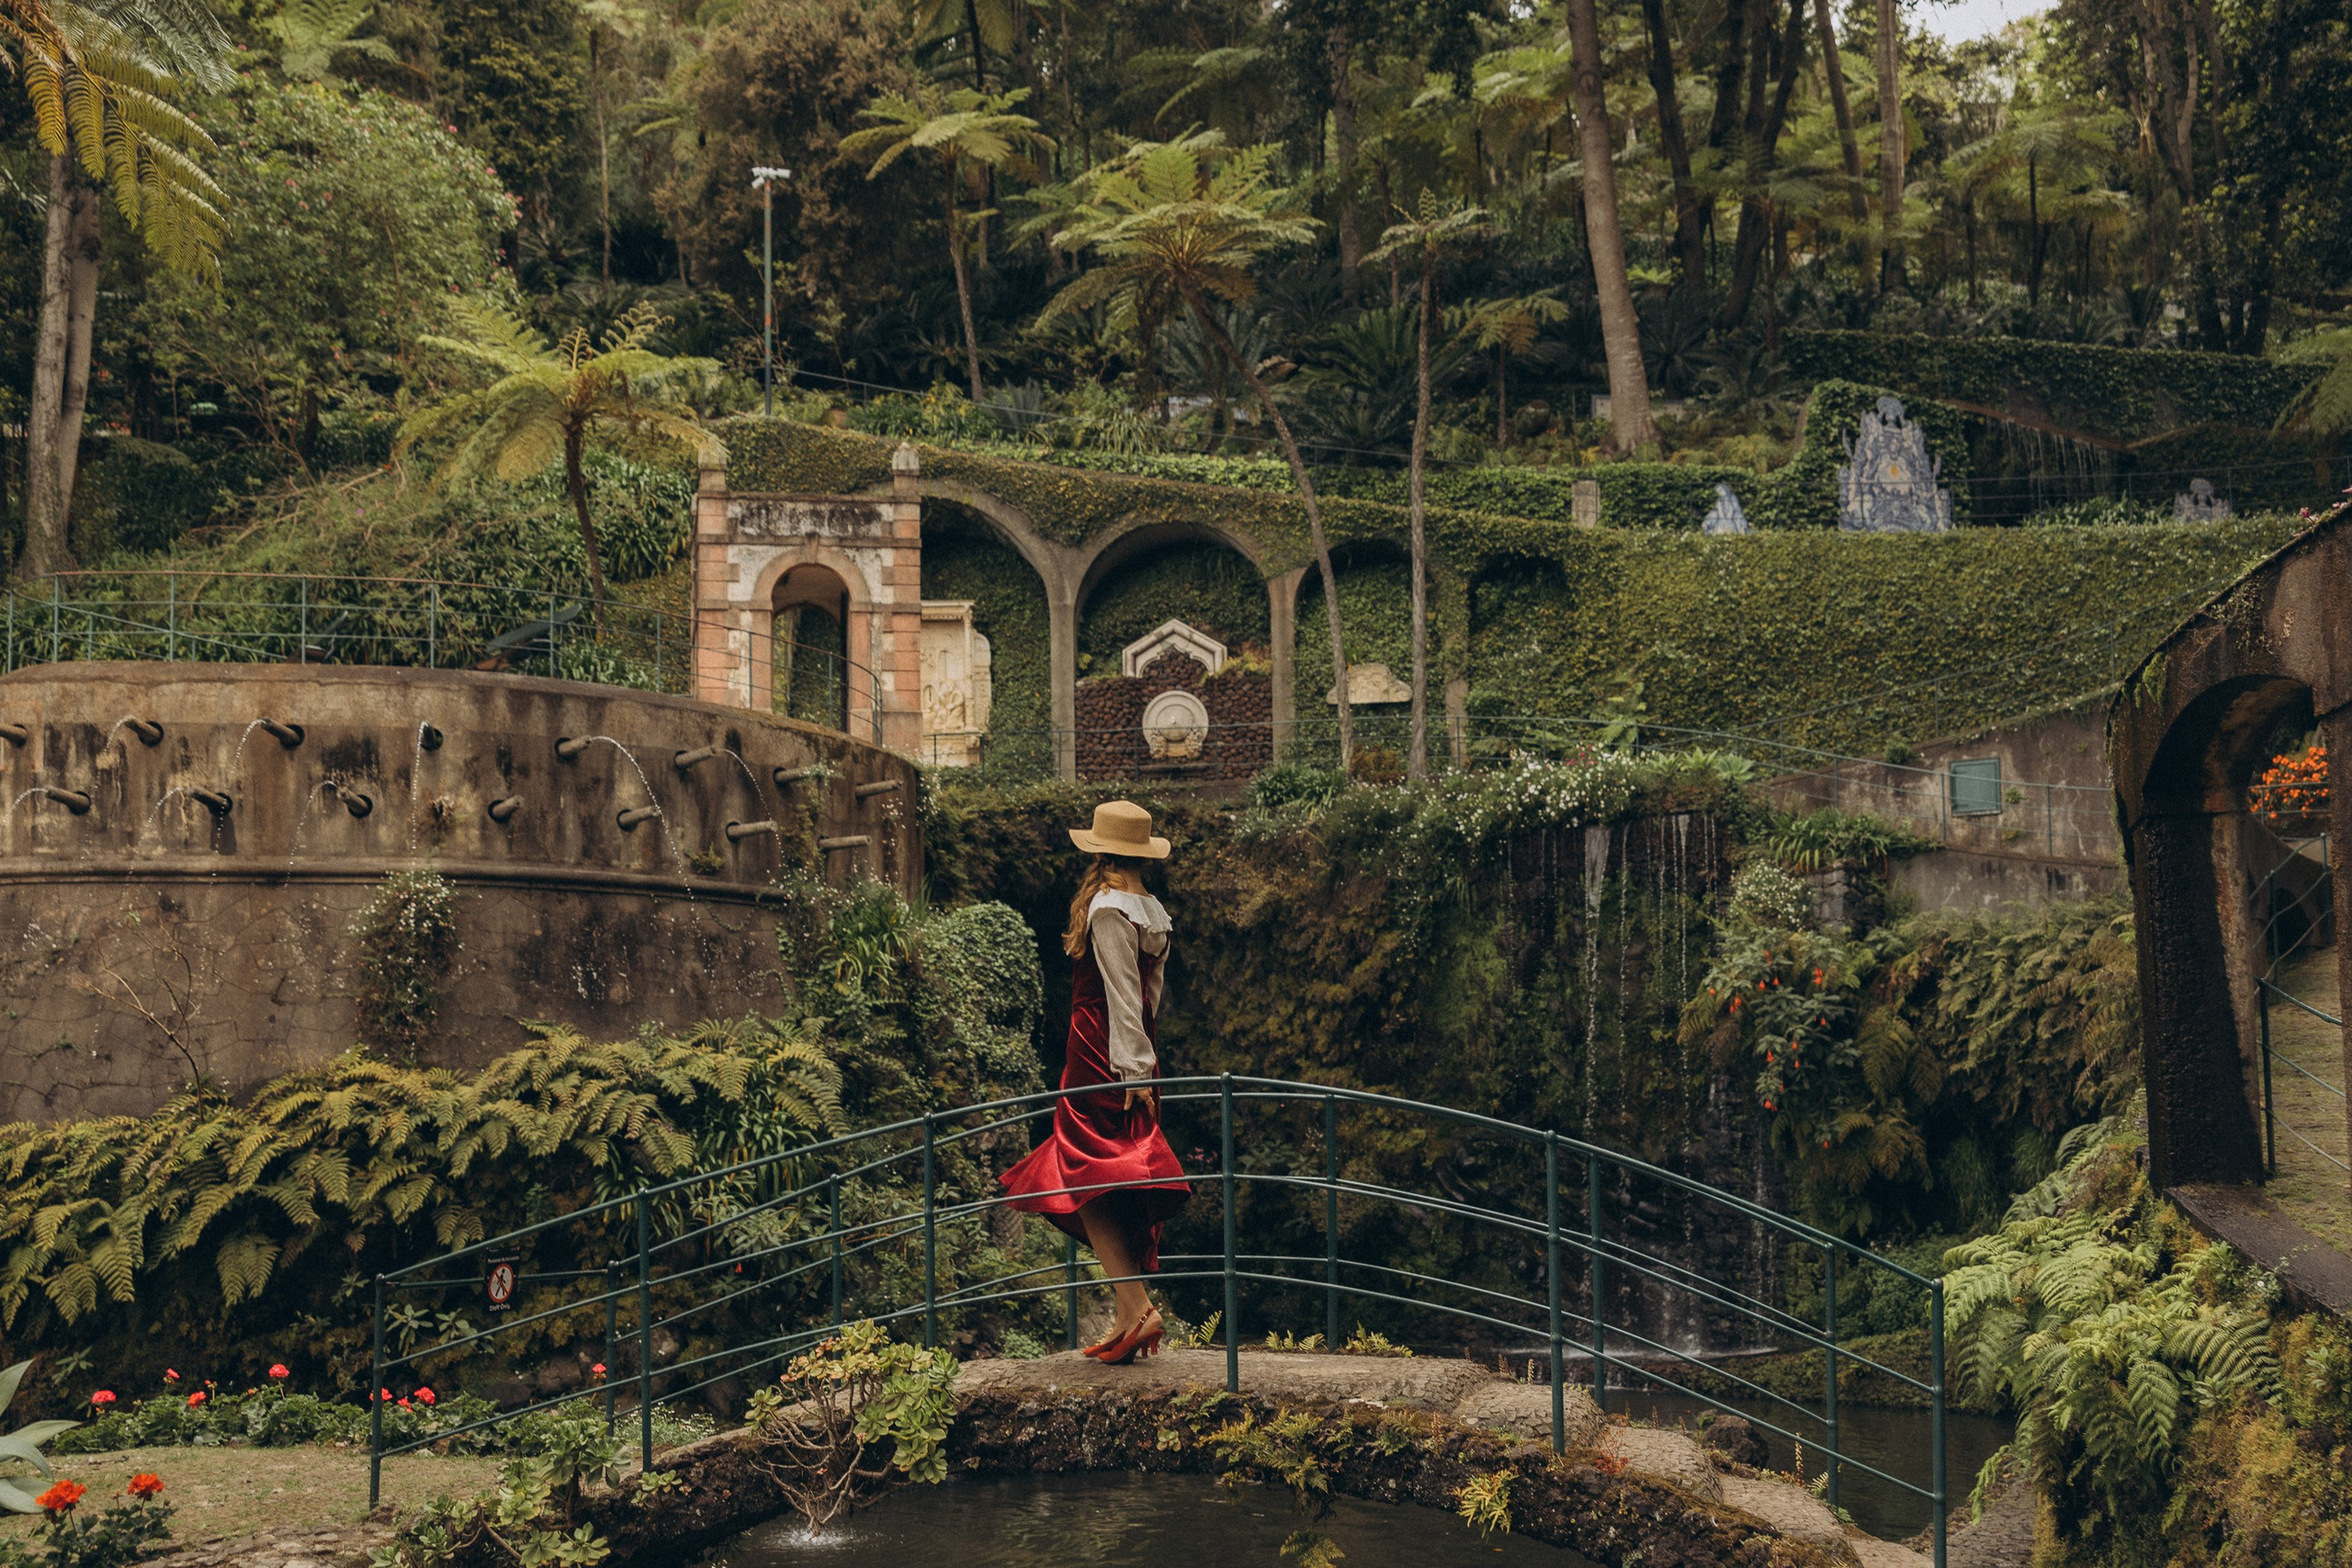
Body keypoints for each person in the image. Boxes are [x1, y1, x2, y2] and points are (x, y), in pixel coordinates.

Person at [999, 800, 1193, 1364]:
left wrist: (1131, 1068)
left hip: (1100, 1051)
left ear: (1101, 850)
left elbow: (1120, 995)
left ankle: (1136, 1308)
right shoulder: (1152, 909)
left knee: (1083, 1166)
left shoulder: (1109, 908)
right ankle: (1130, 1311)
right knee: (1105, 1171)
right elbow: (1149, 997)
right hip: (1132, 1052)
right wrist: (1146, 1065)